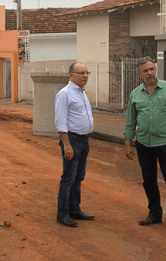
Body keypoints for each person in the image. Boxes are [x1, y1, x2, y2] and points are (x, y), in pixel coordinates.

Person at [124, 57, 166, 233]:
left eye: (151, 69)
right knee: (149, 180)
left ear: (155, 70)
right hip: (144, 143)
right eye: (145, 71)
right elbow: (131, 119)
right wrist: (127, 143)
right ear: (139, 74)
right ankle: (154, 213)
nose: (149, 73)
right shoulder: (135, 94)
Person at [54, 62, 95, 227]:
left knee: (78, 177)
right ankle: (62, 213)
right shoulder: (64, 94)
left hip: (84, 140)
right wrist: (67, 145)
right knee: (68, 178)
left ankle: (74, 209)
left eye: (87, 72)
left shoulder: (81, 92)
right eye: (81, 73)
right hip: (73, 140)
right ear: (71, 75)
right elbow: (60, 122)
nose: (85, 75)